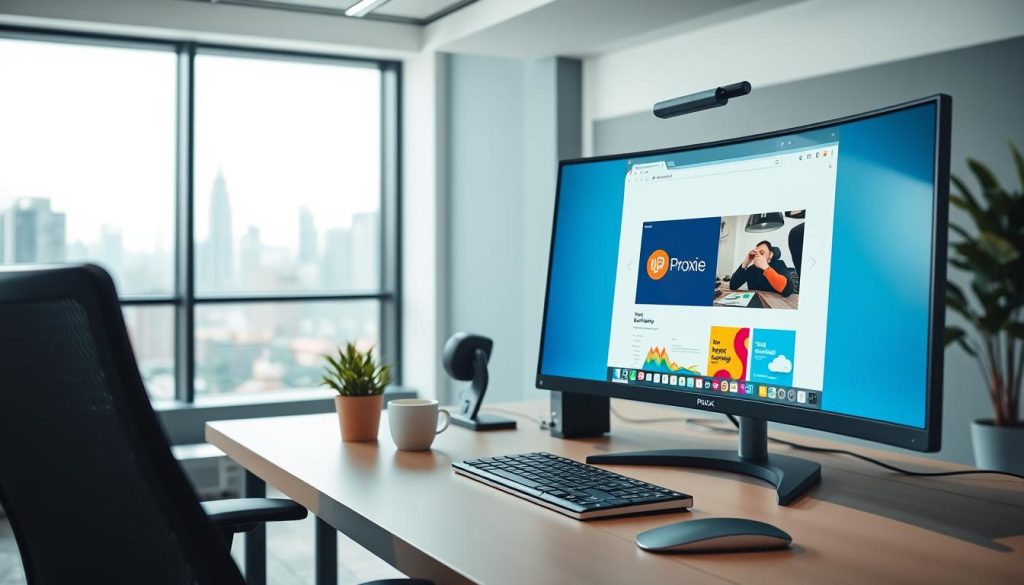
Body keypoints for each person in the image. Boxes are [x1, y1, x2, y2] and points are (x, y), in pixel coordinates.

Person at [729, 240, 794, 297]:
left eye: (762, 253)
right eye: (756, 253)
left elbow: (788, 290)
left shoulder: (779, 264)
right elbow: (733, 286)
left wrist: (766, 267)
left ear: (770, 254)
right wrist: (745, 264)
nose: (757, 255)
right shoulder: (752, 269)